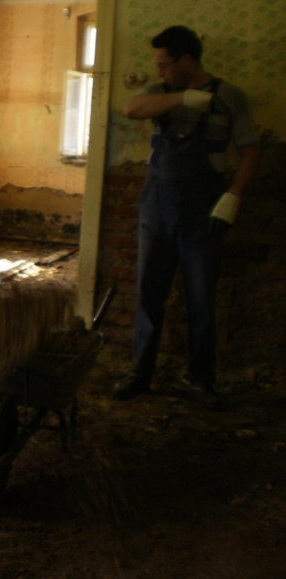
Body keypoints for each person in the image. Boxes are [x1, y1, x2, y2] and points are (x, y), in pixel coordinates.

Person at [114, 25, 259, 407]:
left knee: (201, 299)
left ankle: (201, 380)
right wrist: (184, 98)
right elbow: (131, 109)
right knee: (149, 294)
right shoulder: (160, 93)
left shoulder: (230, 96)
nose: (159, 70)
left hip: (203, 210)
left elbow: (249, 151)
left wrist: (234, 195)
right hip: (156, 207)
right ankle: (140, 373)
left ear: (188, 60)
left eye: (165, 64)